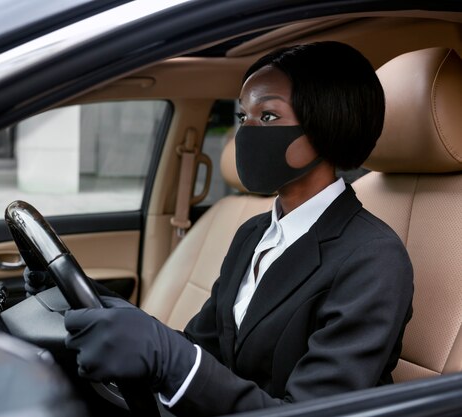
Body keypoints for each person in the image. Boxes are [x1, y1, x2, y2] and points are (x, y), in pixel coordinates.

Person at [62, 41, 414, 416]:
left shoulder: (373, 257)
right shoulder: (253, 232)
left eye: (267, 117)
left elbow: (310, 411)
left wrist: (169, 357)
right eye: (242, 117)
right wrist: (97, 301)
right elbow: (204, 349)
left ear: (326, 124)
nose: (246, 132)